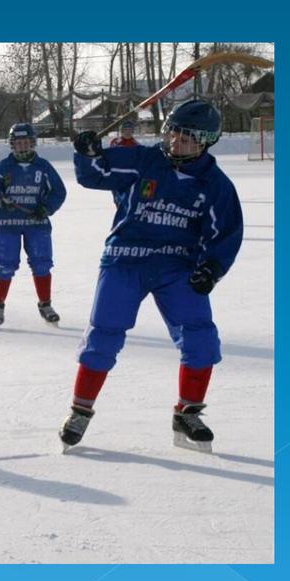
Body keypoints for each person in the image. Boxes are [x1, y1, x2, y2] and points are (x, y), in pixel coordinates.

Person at [63, 99, 243, 451]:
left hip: (177, 267)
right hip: (124, 260)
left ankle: (187, 412)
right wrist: (86, 152)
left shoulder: (214, 183)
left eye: (189, 137)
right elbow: (93, 174)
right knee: (104, 334)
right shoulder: (142, 160)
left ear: (206, 141)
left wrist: (212, 268)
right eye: (174, 133)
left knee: (201, 338)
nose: (178, 142)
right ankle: (80, 410)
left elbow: (225, 234)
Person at [0, 123, 67, 327]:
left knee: (42, 263)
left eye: (26, 142)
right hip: (6, 224)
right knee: (4, 266)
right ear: (12, 145)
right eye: (18, 143)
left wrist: (45, 208)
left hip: (37, 224)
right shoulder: (3, 167)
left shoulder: (43, 167)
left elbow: (58, 192)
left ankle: (45, 304)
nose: (23, 147)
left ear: (33, 143)